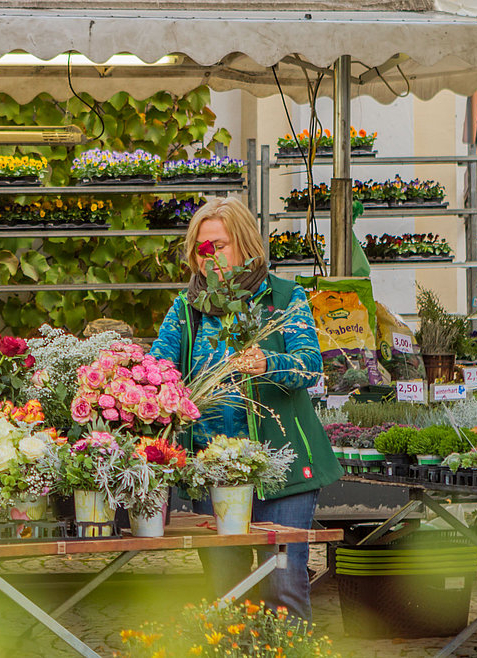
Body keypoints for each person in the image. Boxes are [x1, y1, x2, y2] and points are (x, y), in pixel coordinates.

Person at [150, 196, 342, 620]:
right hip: (212, 469)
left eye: (218, 246)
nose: (209, 258)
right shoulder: (187, 309)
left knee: (283, 583)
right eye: (201, 249)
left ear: (244, 244)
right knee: (227, 591)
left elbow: (309, 364)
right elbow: (159, 366)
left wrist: (268, 363)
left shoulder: (283, 297)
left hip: (282, 466)